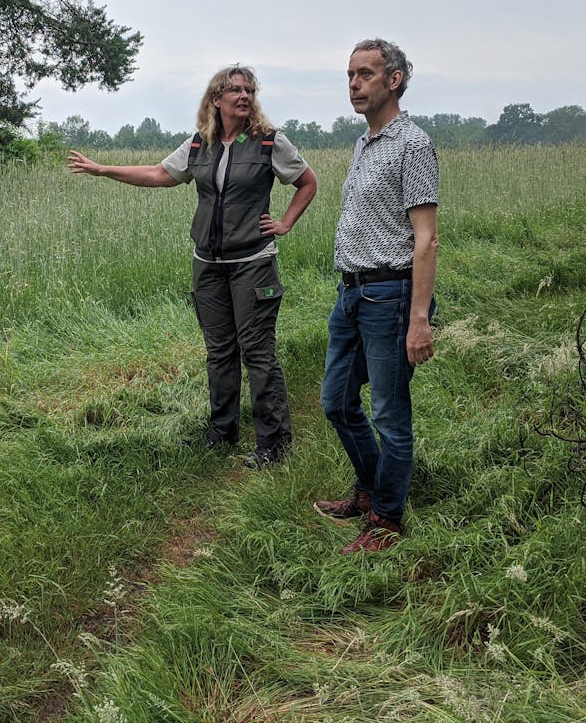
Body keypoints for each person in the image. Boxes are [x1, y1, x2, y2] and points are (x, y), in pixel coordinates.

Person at [68, 65, 317, 467]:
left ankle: (273, 445)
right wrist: (102, 169)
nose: (244, 96)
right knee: (219, 353)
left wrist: (285, 222)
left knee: (257, 353)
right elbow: (157, 174)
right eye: (235, 90)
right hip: (208, 265)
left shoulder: (270, 143)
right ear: (215, 99)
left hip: (253, 264)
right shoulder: (199, 146)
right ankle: (222, 434)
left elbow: (308, 182)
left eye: (249, 90)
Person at [313, 38, 438, 554]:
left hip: (391, 294)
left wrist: (419, 319)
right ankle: (370, 491)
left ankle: (386, 520)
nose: (353, 84)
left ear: (394, 80)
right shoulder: (364, 143)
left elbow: (426, 238)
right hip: (351, 293)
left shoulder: (413, 144)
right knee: (336, 402)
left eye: (364, 74)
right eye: (349, 75)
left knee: (390, 414)